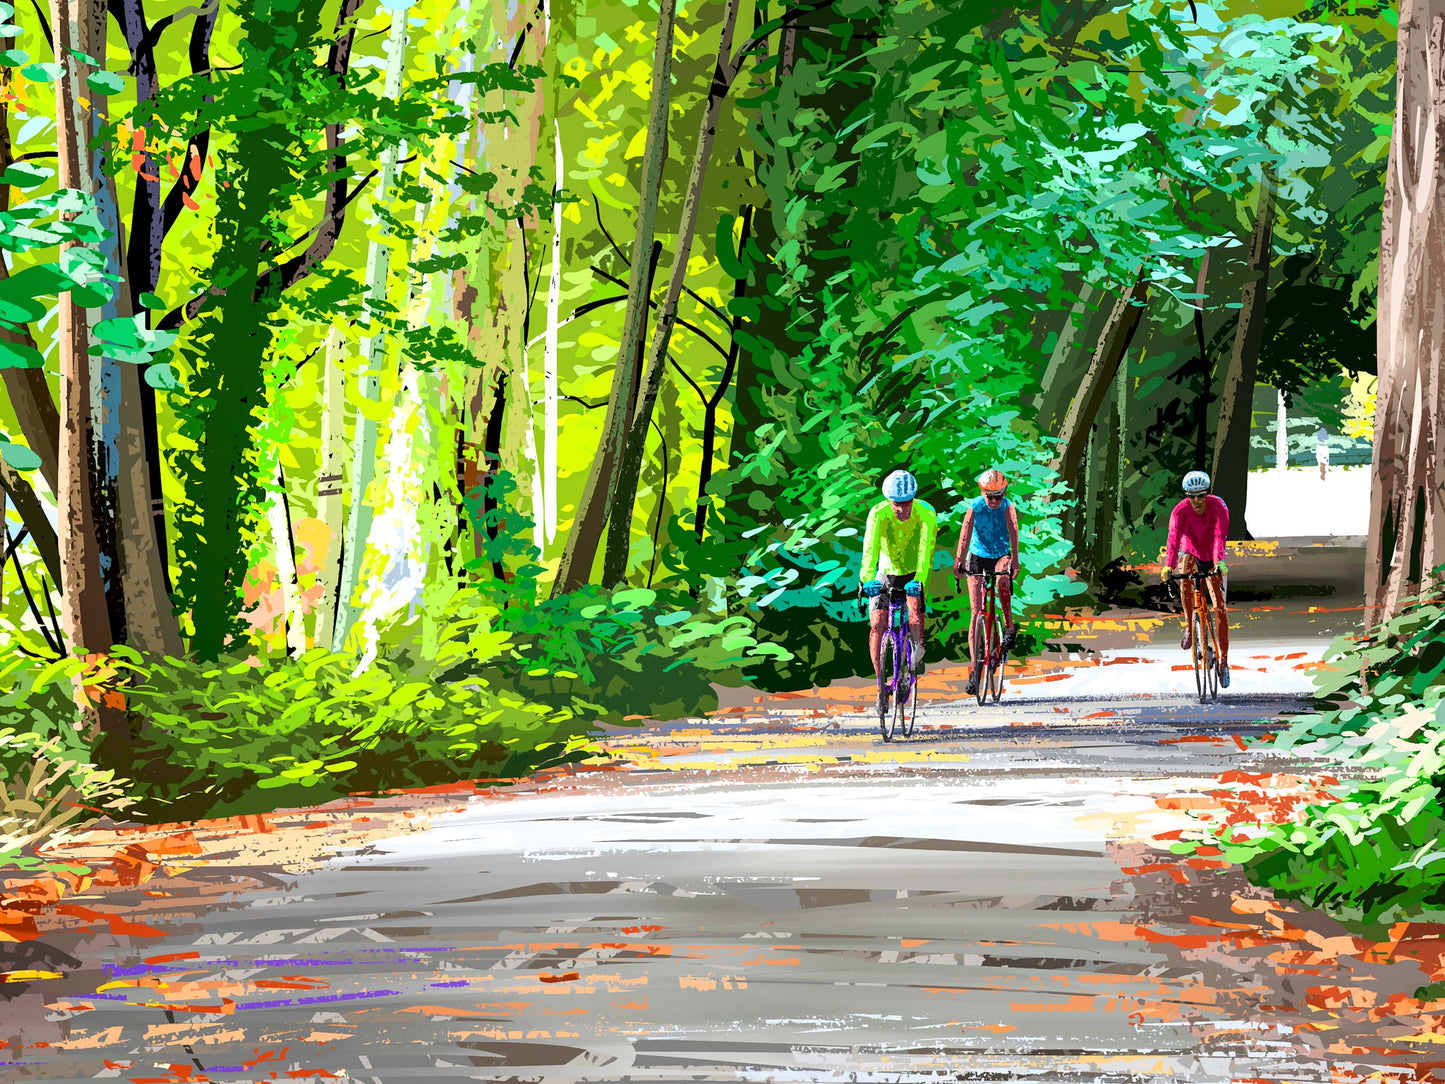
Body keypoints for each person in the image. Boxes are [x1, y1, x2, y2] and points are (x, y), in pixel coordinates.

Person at [860, 469, 938, 715]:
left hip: (914, 572)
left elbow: (926, 551)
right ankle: (881, 683)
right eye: (897, 504)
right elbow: (869, 553)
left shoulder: (926, 513)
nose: (902, 510)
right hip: (885, 572)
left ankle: (915, 656)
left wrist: (920, 580)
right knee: (877, 625)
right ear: (889, 501)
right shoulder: (878, 514)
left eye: (906, 504)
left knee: (914, 611)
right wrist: (865, 581)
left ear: (913, 499)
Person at [953, 469, 1020, 697]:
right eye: (989, 496)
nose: (993, 501)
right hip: (978, 555)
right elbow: (965, 533)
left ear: (1004, 493)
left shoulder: (1007, 507)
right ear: (983, 493)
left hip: (1001, 554)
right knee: (976, 612)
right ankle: (975, 669)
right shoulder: (975, 507)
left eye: (998, 496)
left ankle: (1009, 626)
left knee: (1002, 580)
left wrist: (1016, 562)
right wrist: (959, 561)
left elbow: (1014, 533)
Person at [1161, 470, 1231, 686]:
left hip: (1212, 554)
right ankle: (1190, 626)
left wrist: (1219, 561)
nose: (1197, 501)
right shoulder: (1180, 511)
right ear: (1187, 496)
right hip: (1190, 550)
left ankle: (1224, 662)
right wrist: (1168, 566)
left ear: (1206, 494)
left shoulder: (1219, 506)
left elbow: (1220, 535)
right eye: (1192, 496)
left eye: (1201, 495)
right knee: (1184, 575)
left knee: (1219, 606)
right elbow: (1173, 540)